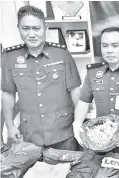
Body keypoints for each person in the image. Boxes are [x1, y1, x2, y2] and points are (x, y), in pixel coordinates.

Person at [1, 5, 82, 151]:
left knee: (68, 171)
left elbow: (76, 90)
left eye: (36, 28)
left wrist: (80, 123)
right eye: (25, 28)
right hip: (30, 133)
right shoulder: (10, 57)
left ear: (46, 28)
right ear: (18, 28)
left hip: (63, 131)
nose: (31, 34)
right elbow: (8, 93)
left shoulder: (62, 54)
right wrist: (10, 125)